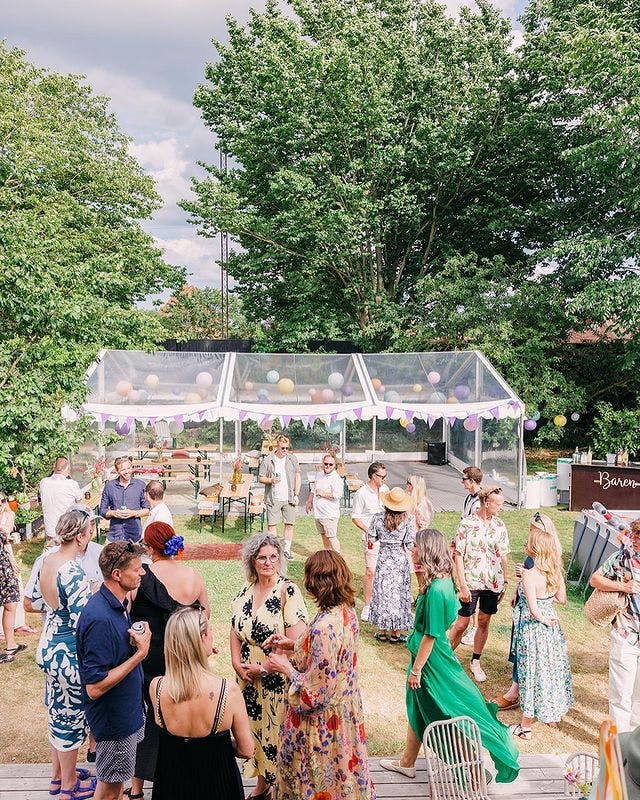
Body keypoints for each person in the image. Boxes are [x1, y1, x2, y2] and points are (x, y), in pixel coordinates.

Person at [380, 528, 519, 785]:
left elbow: (430, 635)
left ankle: (476, 774)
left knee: (445, 716)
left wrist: (416, 670)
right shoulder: (443, 582)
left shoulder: (435, 589)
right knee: (418, 708)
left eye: (416, 547)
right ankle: (407, 762)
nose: (412, 550)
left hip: (431, 662)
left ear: (427, 550)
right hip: (435, 657)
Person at [264, 550, 376, 800]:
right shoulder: (345, 612)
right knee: (342, 781)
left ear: (316, 583)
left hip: (321, 727)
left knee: (318, 783)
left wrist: (285, 667)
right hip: (345, 714)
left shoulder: (324, 628)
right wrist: (293, 644)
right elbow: (331, 657)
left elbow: (315, 695)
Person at [127, 522, 210, 800]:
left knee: (147, 721)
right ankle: (187, 779)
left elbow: (127, 619)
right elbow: (204, 618)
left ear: (150, 548)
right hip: (185, 660)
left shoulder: (140, 578)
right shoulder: (193, 576)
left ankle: (137, 789)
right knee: (185, 718)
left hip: (149, 662)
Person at [230, 532, 308, 799]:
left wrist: (262, 668)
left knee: (276, 735)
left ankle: (279, 789)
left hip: (275, 679)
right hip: (248, 680)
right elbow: (234, 627)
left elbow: (296, 644)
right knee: (254, 733)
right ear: (252, 561)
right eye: (261, 557)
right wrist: (236, 662)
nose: (267, 562)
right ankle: (263, 785)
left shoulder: (288, 591)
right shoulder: (245, 590)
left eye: (273, 556)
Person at [150, 606, 254, 800]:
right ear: (202, 639)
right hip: (218, 785)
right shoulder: (227, 691)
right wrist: (220, 744)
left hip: (172, 785)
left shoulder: (157, 687)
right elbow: (246, 750)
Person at [76, 541, 151, 800]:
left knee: (115, 786)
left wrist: (130, 644)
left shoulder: (115, 605)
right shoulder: (100, 618)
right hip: (114, 722)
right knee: (109, 791)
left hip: (125, 714)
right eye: (137, 569)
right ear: (117, 575)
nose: (142, 573)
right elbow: (94, 688)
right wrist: (140, 654)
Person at [36, 509, 97, 800]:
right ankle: (70, 786)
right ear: (81, 536)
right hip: (67, 652)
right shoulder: (71, 570)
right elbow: (82, 620)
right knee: (71, 717)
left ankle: (57, 776)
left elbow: (40, 602)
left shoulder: (47, 560)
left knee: (57, 712)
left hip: (49, 642)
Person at [507, 516, 573, 739]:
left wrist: (541, 617)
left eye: (527, 542)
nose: (525, 544)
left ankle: (525, 727)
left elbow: (533, 609)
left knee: (531, 674)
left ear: (534, 549)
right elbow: (562, 598)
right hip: (552, 631)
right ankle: (552, 715)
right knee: (551, 670)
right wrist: (548, 606)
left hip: (533, 630)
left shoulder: (528, 574)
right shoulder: (553, 571)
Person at [448, 486, 510, 682]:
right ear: (486, 503)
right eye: (498, 504)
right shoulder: (466, 524)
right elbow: (458, 555)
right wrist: (462, 584)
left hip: (493, 582)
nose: (501, 507)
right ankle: (444, 658)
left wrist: (505, 580)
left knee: (484, 621)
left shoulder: (500, 525)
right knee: (462, 623)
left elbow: (503, 555)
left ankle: (476, 660)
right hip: (471, 581)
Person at [590, 517, 640, 733]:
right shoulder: (622, 557)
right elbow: (595, 580)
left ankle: (635, 742)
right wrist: (623, 586)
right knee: (621, 693)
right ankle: (620, 742)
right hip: (626, 632)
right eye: (635, 537)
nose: (635, 541)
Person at [368, 487, 416, 643]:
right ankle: (396, 633)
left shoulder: (377, 518)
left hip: (383, 559)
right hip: (399, 562)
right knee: (398, 595)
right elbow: (409, 543)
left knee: (383, 594)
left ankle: (382, 632)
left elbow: (372, 538)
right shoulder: (407, 520)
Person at [351, 461, 389, 621]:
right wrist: (369, 530)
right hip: (372, 538)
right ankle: (367, 605)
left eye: (385, 476)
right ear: (373, 476)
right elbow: (355, 517)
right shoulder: (361, 494)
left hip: (387, 537)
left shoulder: (385, 490)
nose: (384, 480)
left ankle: (383, 601)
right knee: (370, 570)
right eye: (382, 477)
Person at [258, 434, 301, 561]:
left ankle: (286, 550)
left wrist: (296, 494)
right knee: (272, 526)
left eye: (287, 448)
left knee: (289, 524)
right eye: (283, 448)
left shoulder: (292, 459)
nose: (285, 451)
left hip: (289, 497)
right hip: (273, 497)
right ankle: (274, 551)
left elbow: (297, 476)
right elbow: (260, 478)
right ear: (277, 446)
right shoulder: (268, 460)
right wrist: (271, 480)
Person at [99, 457, 150, 543]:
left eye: (129, 468)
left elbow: (148, 510)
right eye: (123, 469)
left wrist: (133, 513)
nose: (127, 472)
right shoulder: (109, 486)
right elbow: (102, 510)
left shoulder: (140, 485)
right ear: (117, 471)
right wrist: (114, 513)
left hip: (135, 536)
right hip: (115, 535)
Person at [459, 466, 483, 646]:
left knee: (476, 588)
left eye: (464, 479)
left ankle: (475, 627)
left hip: (476, 548)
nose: (462, 482)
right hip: (466, 544)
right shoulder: (469, 498)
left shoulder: (480, 500)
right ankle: (470, 625)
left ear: (472, 481)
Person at [0, 491, 25, 663]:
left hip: (4, 565)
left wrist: (11, 560)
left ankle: (11, 645)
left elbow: (5, 543)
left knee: (11, 604)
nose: (1, 504)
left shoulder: (8, 515)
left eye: (2, 500)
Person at [39, 457, 83, 549]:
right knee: (67, 559)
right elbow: (80, 505)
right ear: (67, 469)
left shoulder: (43, 482)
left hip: (50, 531)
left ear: (54, 468)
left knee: (49, 558)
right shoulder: (71, 484)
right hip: (67, 531)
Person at [305, 451, 344, 552]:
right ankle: (328, 558)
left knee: (331, 537)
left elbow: (338, 495)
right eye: (326, 464)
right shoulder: (319, 475)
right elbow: (314, 490)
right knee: (324, 537)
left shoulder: (336, 479)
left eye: (330, 464)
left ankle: (338, 559)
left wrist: (323, 494)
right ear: (323, 463)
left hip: (329, 514)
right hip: (319, 514)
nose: (328, 466)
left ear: (334, 465)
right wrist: (309, 501)